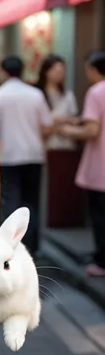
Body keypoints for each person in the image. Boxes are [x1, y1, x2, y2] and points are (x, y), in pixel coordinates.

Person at [0, 55, 52, 258]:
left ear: (4, 72)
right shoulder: (35, 94)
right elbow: (47, 125)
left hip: (7, 156)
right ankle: (32, 247)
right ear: (22, 71)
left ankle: (12, 246)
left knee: (11, 202)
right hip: (33, 154)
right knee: (32, 201)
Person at [58, 51, 105, 277]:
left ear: (95, 70)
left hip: (101, 165)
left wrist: (67, 130)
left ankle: (101, 262)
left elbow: (92, 130)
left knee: (100, 214)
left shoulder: (97, 92)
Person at [35, 54, 83, 229]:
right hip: (46, 145)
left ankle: (61, 219)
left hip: (66, 145)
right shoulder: (38, 93)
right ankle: (46, 221)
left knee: (63, 184)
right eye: (55, 70)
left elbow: (75, 119)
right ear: (46, 72)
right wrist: (60, 121)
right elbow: (42, 122)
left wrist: (58, 121)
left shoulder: (67, 95)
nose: (59, 74)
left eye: (62, 71)